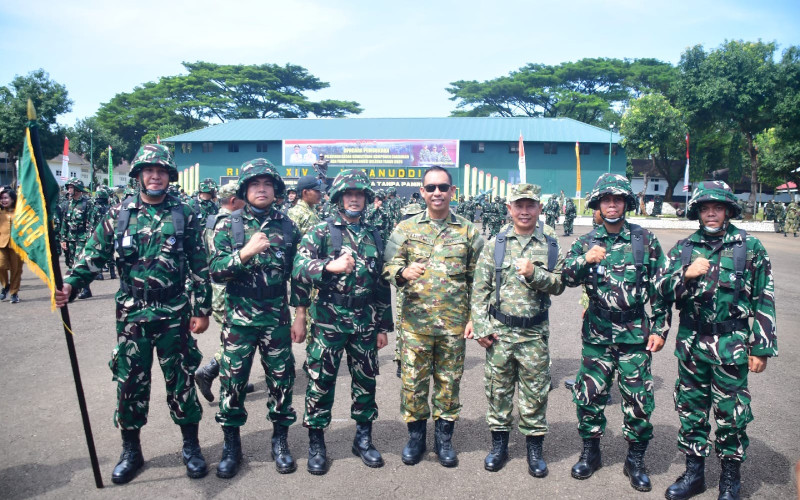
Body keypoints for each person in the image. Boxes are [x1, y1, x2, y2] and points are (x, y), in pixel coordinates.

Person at [54, 144, 212, 484]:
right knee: (129, 382)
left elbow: (200, 264)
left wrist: (202, 309)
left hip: (174, 312)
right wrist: (70, 284)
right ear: (138, 174)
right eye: (148, 170)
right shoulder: (119, 213)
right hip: (131, 313)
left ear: (169, 176)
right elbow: (92, 255)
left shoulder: (185, 212)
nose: (155, 176)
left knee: (181, 381)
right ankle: (131, 451)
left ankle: (191, 447)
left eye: (161, 171)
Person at [659, 181, 777, 500]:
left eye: (718, 207)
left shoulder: (749, 247)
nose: (711, 213)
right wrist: (686, 275)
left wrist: (761, 347)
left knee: (732, 414)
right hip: (692, 346)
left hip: (732, 346)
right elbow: (661, 290)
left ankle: (729, 479)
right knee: (691, 410)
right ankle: (694, 474)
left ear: (727, 211)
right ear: (697, 212)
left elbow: (764, 297)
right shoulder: (684, 248)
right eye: (705, 208)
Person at [562, 173, 670, 492]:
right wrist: (585, 259)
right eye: (606, 200)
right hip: (597, 333)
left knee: (638, 399)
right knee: (590, 395)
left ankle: (634, 461)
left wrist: (661, 328)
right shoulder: (586, 241)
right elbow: (565, 277)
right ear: (598, 204)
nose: (612, 204)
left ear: (626, 203)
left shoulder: (644, 240)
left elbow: (662, 288)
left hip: (635, 334)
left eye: (618, 199)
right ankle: (590, 453)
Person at [208, 158, 309, 478]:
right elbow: (215, 271)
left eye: (267, 184)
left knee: (282, 382)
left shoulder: (287, 226)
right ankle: (231, 447)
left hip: (276, 318)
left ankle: (280, 443)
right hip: (238, 320)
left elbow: (299, 275)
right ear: (245, 190)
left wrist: (300, 315)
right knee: (232, 384)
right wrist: (245, 253)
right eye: (255, 184)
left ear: (276, 190)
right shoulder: (228, 224)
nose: (261, 189)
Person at [292, 169, 393, 475]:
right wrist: (328, 266)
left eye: (359, 194)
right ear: (338, 198)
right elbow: (298, 269)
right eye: (348, 194)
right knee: (321, 382)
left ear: (365, 199)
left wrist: (383, 326)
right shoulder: (321, 232)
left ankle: (363, 439)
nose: (354, 199)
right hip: (328, 322)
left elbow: (381, 284)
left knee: (366, 382)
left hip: (364, 321)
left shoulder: (375, 235)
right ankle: (317, 443)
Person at [383, 166, 484, 468]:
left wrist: (474, 318)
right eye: (431, 187)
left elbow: (479, 280)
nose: (437, 192)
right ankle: (416, 438)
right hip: (415, 326)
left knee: (448, 383)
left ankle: (444, 440)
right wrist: (401, 272)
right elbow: (387, 265)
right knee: (413, 384)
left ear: (453, 191)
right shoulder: (405, 229)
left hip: (454, 327)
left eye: (443, 187)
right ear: (422, 192)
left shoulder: (468, 231)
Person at [469, 183, 565, 476]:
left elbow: (559, 284)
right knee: (498, 392)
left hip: (534, 335)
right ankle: (499, 446)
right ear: (509, 209)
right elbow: (479, 291)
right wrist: (482, 328)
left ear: (539, 209)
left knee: (535, 394)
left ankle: (534, 451)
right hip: (500, 334)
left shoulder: (549, 245)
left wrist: (535, 274)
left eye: (530, 205)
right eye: (519, 206)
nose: (524, 211)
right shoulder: (496, 244)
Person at [194, 181, 254, 402]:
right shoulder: (227, 222)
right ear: (233, 200)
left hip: (217, 287)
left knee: (229, 337)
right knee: (233, 339)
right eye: (242, 199)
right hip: (225, 288)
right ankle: (209, 372)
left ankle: (237, 378)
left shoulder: (212, 220)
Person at [60, 179, 94, 299]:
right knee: (70, 263)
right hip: (70, 238)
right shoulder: (68, 204)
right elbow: (64, 222)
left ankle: (85, 289)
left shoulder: (87, 203)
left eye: (71, 187)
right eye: (68, 187)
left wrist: (88, 240)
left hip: (82, 238)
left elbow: (90, 223)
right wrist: (63, 239)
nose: (69, 190)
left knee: (79, 263)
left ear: (78, 189)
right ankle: (76, 287)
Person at [0, 187, 23, 303]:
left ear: (13, 199)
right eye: (1, 198)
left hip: (17, 245)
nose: (3, 200)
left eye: (6, 198)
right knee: (1, 266)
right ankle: (5, 285)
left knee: (16, 270)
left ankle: (14, 293)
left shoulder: (20, 212)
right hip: (1, 243)